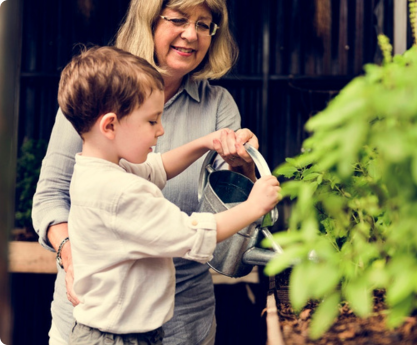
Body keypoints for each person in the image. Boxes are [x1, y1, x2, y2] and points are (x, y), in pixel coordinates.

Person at [31, 0, 260, 344]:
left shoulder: (218, 104)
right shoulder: (94, 94)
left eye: (203, 24)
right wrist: (70, 252)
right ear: (148, 20)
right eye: (179, 20)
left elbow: (164, 173)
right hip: (99, 316)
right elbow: (50, 195)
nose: (191, 35)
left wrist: (242, 164)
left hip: (182, 317)